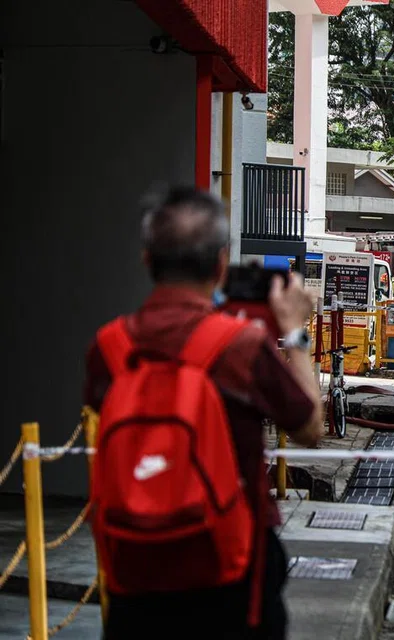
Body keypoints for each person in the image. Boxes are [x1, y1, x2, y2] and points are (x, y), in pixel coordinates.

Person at [83, 187, 325, 640]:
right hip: (230, 570)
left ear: (147, 261)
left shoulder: (108, 347)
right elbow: (310, 427)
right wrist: (294, 333)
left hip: (134, 566)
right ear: (219, 264)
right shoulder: (241, 347)